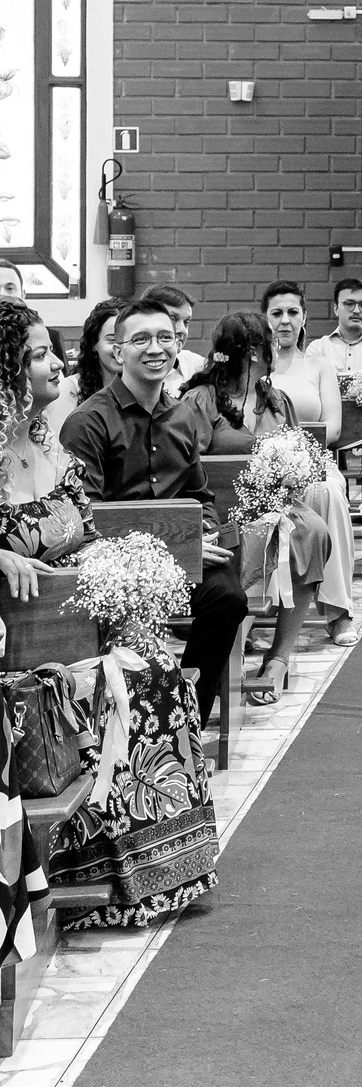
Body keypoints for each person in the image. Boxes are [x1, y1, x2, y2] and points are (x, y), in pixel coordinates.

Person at [0, 302, 219, 929]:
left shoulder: (45, 443)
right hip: (28, 640)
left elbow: (88, 530)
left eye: (52, 350)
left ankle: (155, 874)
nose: (57, 363)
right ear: (6, 371)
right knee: (130, 684)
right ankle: (91, 873)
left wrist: (126, 576)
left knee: (157, 673)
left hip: (76, 618)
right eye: (38, 354)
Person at [59, 297, 248, 730]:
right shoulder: (88, 421)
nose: (156, 348)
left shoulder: (181, 415)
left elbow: (200, 495)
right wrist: (177, 549)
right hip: (114, 568)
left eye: (165, 337)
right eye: (141, 339)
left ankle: (188, 718)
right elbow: (86, 517)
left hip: (184, 562)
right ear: (118, 350)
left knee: (228, 599)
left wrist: (205, 533)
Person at [183, 313, 333, 703]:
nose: (274, 350)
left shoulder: (276, 400)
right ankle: (227, 651)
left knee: (314, 531)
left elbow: (298, 449)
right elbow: (186, 466)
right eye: (268, 344)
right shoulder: (201, 399)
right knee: (242, 540)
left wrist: (293, 472)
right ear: (251, 352)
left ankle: (279, 656)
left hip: (277, 504)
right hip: (222, 511)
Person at [260, 280, 358, 647]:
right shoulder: (255, 367)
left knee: (328, 492)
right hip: (262, 467)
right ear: (264, 318)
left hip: (313, 462)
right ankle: (253, 610)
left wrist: (295, 454)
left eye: (292, 312)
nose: (284, 321)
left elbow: (332, 426)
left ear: (304, 318)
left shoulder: (319, 366)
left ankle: (338, 611)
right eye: (276, 313)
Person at [43, 296, 125, 436]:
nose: (120, 349)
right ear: (94, 343)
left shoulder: (144, 390)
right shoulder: (68, 390)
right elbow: (58, 445)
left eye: (128, 340)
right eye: (112, 340)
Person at [307, 278, 362, 375]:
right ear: (336, 309)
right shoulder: (318, 348)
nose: (356, 311)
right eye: (349, 304)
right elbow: (311, 379)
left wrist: (331, 377)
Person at [148, 285, 206, 388]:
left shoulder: (198, 367)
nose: (182, 330)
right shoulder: (128, 365)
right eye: (173, 318)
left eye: (186, 322)